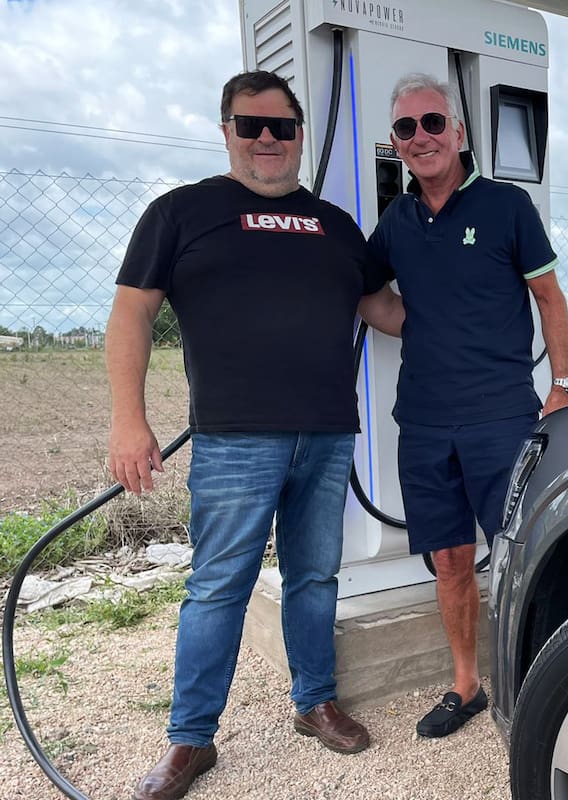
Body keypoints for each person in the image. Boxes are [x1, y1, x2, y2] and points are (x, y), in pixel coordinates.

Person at [106, 70, 405, 800]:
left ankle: (315, 702)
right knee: (217, 589)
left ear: (301, 135)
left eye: (282, 127)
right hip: (235, 440)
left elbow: (381, 307)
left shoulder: (335, 225)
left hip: (329, 437)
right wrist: (128, 418)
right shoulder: (181, 213)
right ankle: (190, 740)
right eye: (251, 126)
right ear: (227, 131)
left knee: (314, 577)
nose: (267, 140)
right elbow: (131, 314)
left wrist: (468, 307)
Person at [367, 73, 568, 738]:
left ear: (457, 132)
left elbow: (550, 299)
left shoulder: (506, 206)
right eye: (407, 128)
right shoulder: (396, 221)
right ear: (396, 144)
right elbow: (367, 296)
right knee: (451, 560)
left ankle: (544, 685)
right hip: (425, 425)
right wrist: (416, 321)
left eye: (433, 123)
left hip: (502, 420)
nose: (422, 137)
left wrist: (563, 385)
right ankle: (467, 684)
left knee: (523, 555)